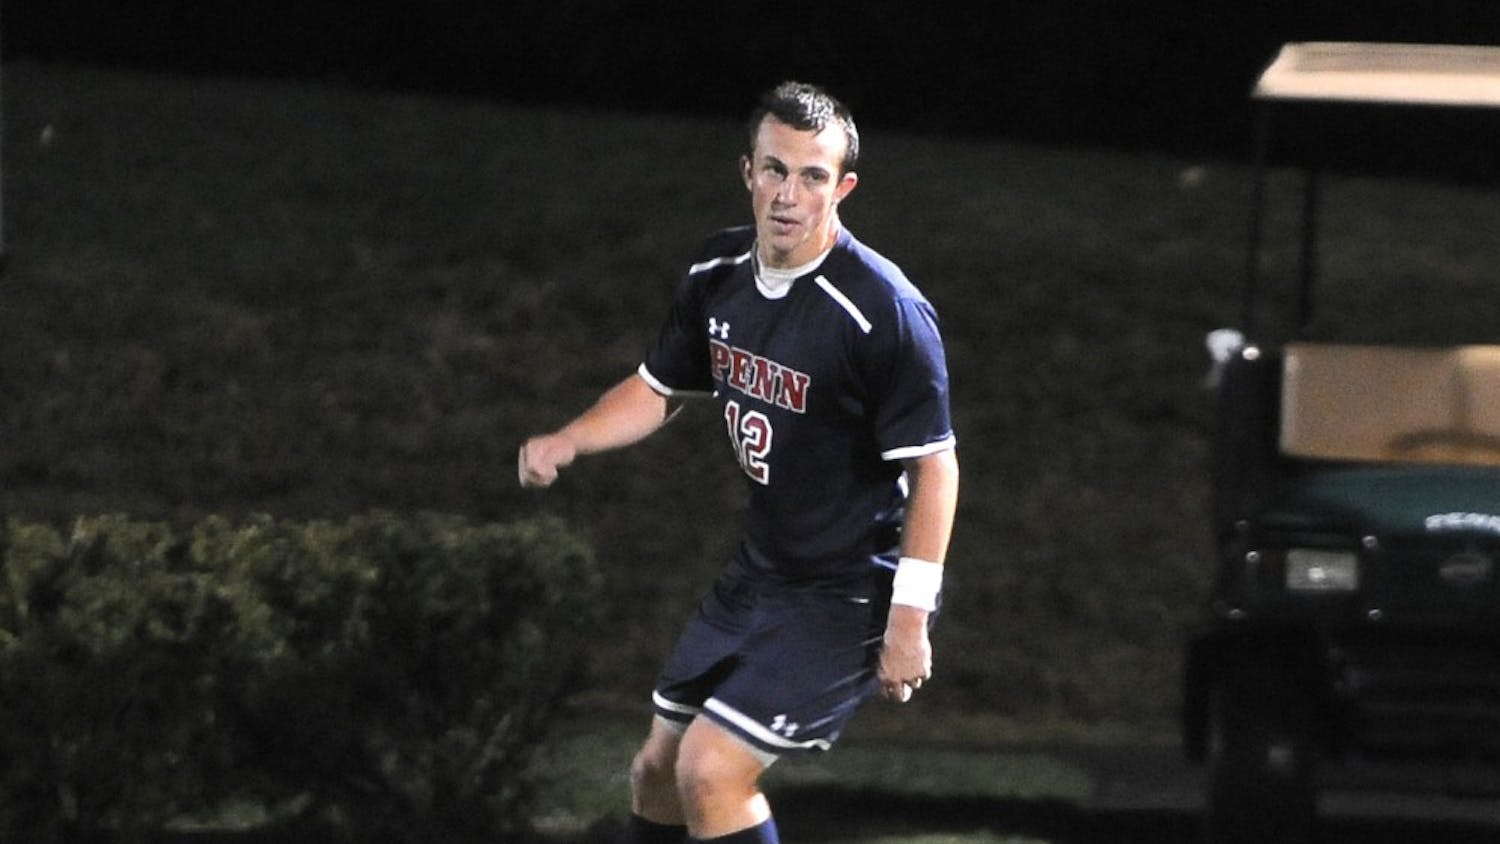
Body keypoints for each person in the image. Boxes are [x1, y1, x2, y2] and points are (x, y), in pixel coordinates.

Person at [518, 80, 959, 844]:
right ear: (747, 173)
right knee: (656, 772)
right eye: (775, 169)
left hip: (847, 591)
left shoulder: (882, 310)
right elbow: (660, 387)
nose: (790, 193)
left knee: (710, 770)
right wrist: (570, 439)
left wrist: (909, 619)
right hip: (760, 574)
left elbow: (936, 467)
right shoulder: (715, 270)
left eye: (813, 175)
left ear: (843, 187)